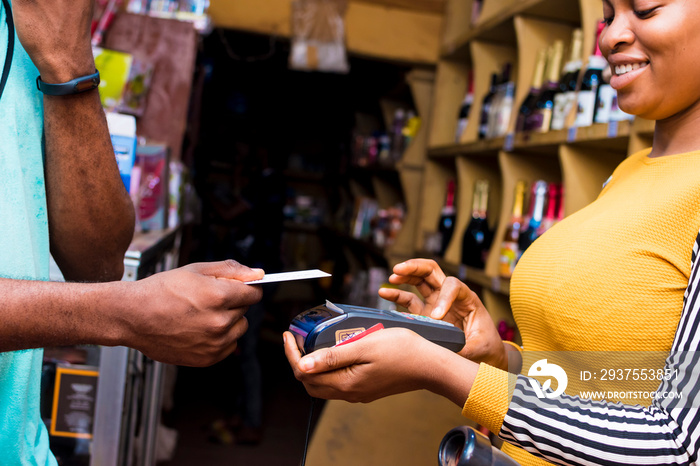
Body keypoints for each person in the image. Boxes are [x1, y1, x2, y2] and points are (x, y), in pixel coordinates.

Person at [285, 1, 700, 464]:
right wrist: (500, 358)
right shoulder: (627, 173)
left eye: (645, 9)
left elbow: (678, 446)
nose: (609, 36)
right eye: (608, 13)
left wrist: (438, 368)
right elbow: (603, 380)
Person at [0, 1, 264, 464]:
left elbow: (97, 263)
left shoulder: (34, 24)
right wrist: (123, 314)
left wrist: (68, 63)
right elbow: (108, 294)